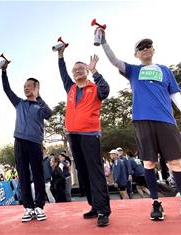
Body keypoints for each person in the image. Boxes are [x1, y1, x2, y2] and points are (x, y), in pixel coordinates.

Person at [98, 28, 181, 220]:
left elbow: (174, 93)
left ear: (153, 50)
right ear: (136, 54)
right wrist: (104, 41)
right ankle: (156, 203)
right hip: (142, 121)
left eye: (148, 46)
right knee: (149, 163)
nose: (146, 49)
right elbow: (114, 61)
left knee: (175, 162)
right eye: (141, 47)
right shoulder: (133, 70)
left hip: (166, 121)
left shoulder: (164, 70)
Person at [57, 46, 111, 227]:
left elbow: (106, 89)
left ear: (86, 71)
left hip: (90, 135)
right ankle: (94, 206)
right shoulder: (71, 88)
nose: (77, 72)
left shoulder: (95, 88)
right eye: (75, 70)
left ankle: (103, 210)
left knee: (95, 172)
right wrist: (60, 55)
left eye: (81, 69)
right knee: (83, 172)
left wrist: (95, 70)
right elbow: (62, 73)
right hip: (73, 135)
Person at [0, 62, 52, 222]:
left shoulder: (40, 105)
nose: (26, 88)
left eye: (29, 86)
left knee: (38, 175)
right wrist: (4, 72)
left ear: (36, 88)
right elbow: (7, 90)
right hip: (20, 142)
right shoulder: (19, 103)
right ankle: (28, 207)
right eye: (25, 86)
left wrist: (39, 97)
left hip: (35, 143)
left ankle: (39, 206)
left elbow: (49, 114)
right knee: (23, 175)